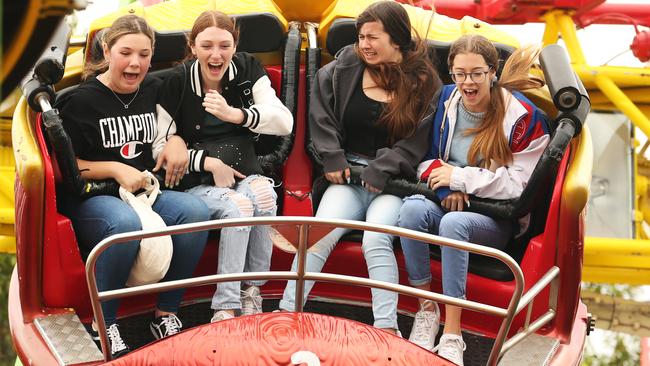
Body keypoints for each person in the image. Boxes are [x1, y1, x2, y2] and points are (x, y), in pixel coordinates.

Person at [277, 1, 442, 335]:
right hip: (348, 175)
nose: (364, 44)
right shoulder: (344, 67)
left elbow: (418, 140)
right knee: (318, 234)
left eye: (372, 37)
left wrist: (384, 167)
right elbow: (320, 115)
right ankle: (285, 315)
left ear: (396, 39)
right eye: (361, 36)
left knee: (375, 240)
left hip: (393, 183)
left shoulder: (424, 81)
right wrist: (332, 156)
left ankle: (386, 329)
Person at [56, 15, 210, 358]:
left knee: (196, 212)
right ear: (108, 51)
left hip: (143, 194)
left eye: (144, 54)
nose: (135, 63)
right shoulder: (78, 102)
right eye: (126, 53)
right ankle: (103, 324)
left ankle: (166, 313)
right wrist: (113, 167)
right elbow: (65, 167)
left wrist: (178, 141)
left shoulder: (155, 89)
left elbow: (179, 123)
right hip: (94, 197)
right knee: (123, 225)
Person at [398, 34, 549, 365]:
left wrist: (462, 178)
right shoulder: (446, 100)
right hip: (448, 198)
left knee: (454, 225)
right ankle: (426, 308)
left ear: (492, 72)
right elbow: (426, 160)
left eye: (476, 73)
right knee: (410, 211)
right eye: (460, 73)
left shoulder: (522, 117)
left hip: (494, 217)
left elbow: (519, 186)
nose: (467, 82)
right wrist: (447, 185)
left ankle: (453, 333)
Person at [155, 11, 293, 323]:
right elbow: (157, 148)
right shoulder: (177, 83)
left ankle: (252, 292)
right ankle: (225, 307)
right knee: (241, 206)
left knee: (265, 195)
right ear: (192, 47)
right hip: (195, 180)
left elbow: (284, 122)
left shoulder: (246, 68)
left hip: (241, 170)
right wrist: (206, 161)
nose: (216, 55)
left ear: (235, 45)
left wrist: (236, 114)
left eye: (224, 46)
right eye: (206, 46)